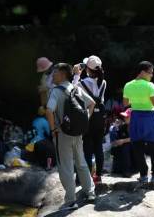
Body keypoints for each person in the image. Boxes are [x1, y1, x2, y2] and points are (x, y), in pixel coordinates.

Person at [46, 63, 96, 209]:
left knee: (66, 166)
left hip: (62, 134)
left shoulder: (56, 91)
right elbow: (92, 103)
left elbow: (49, 110)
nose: (52, 75)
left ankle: (70, 201)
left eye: (54, 73)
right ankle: (90, 192)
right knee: (81, 162)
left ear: (62, 74)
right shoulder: (76, 88)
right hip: (77, 132)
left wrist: (53, 128)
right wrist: (85, 120)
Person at [123, 61, 154, 185]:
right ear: (143, 72)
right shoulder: (150, 85)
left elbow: (125, 103)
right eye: (150, 73)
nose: (151, 75)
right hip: (149, 118)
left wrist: (136, 100)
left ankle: (143, 175)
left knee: (138, 147)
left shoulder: (128, 85)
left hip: (136, 117)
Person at [73, 56, 107, 184]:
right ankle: (98, 176)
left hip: (89, 115)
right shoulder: (103, 82)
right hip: (100, 117)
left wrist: (77, 75)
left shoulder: (83, 83)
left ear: (87, 68)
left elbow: (71, 91)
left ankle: (85, 178)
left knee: (87, 147)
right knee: (98, 146)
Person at [110, 109, 134, 177]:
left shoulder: (137, 126)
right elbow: (117, 138)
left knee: (126, 146)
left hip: (136, 148)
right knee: (116, 148)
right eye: (124, 116)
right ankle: (117, 168)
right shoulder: (123, 127)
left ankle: (127, 170)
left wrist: (123, 141)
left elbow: (136, 138)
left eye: (127, 117)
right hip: (126, 147)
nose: (125, 118)